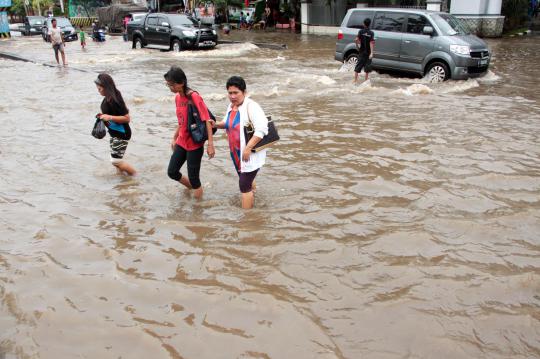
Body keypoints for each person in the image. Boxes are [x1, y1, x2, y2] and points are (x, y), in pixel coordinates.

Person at [214, 76, 268, 209]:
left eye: (236, 92)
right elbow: (227, 123)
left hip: (248, 153)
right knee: (246, 181)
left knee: (243, 185)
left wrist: (248, 148)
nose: (232, 96)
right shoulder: (231, 106)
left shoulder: (252, 106)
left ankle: (247, 219)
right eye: (230, 93)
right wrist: (214, 125)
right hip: (236, 152)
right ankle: (253, 197)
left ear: (244, 92)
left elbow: (262, 129)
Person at [164, 66, 215, 199]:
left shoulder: (194, 97)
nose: (169, 87)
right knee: (172, 171)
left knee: (194, 178)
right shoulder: (177, 98)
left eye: (171, 84)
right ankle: (192, 189)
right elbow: (181, 121)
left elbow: (207, 120)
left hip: (194, 144)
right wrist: (174, 137)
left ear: (180, 83)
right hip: (182, 141)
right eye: (168, 84)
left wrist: (210, 144)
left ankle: (198, 211)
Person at [94, 73, 136, 176]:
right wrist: (102, 116)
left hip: (122, 133)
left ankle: (135, 177)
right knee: (117, 161)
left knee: (115, 161)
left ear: (106, 87)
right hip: (114, 132)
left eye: (99, 89)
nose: (98, 91)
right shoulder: (108, 97)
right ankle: (123, 182)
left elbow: (127, 118)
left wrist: (109, 117)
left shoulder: (115, 98)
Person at [354, 18, 375, 83]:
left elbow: (357, 40)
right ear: (369, 24)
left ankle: (355, 80)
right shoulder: (371, 33)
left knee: (358, 66)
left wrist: (357, 45)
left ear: (364, 24)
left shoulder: (360, 31)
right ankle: (365, 80)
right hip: (368, 52)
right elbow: (371, 43)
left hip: (361, 51)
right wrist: (371, 53)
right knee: (367, 67)